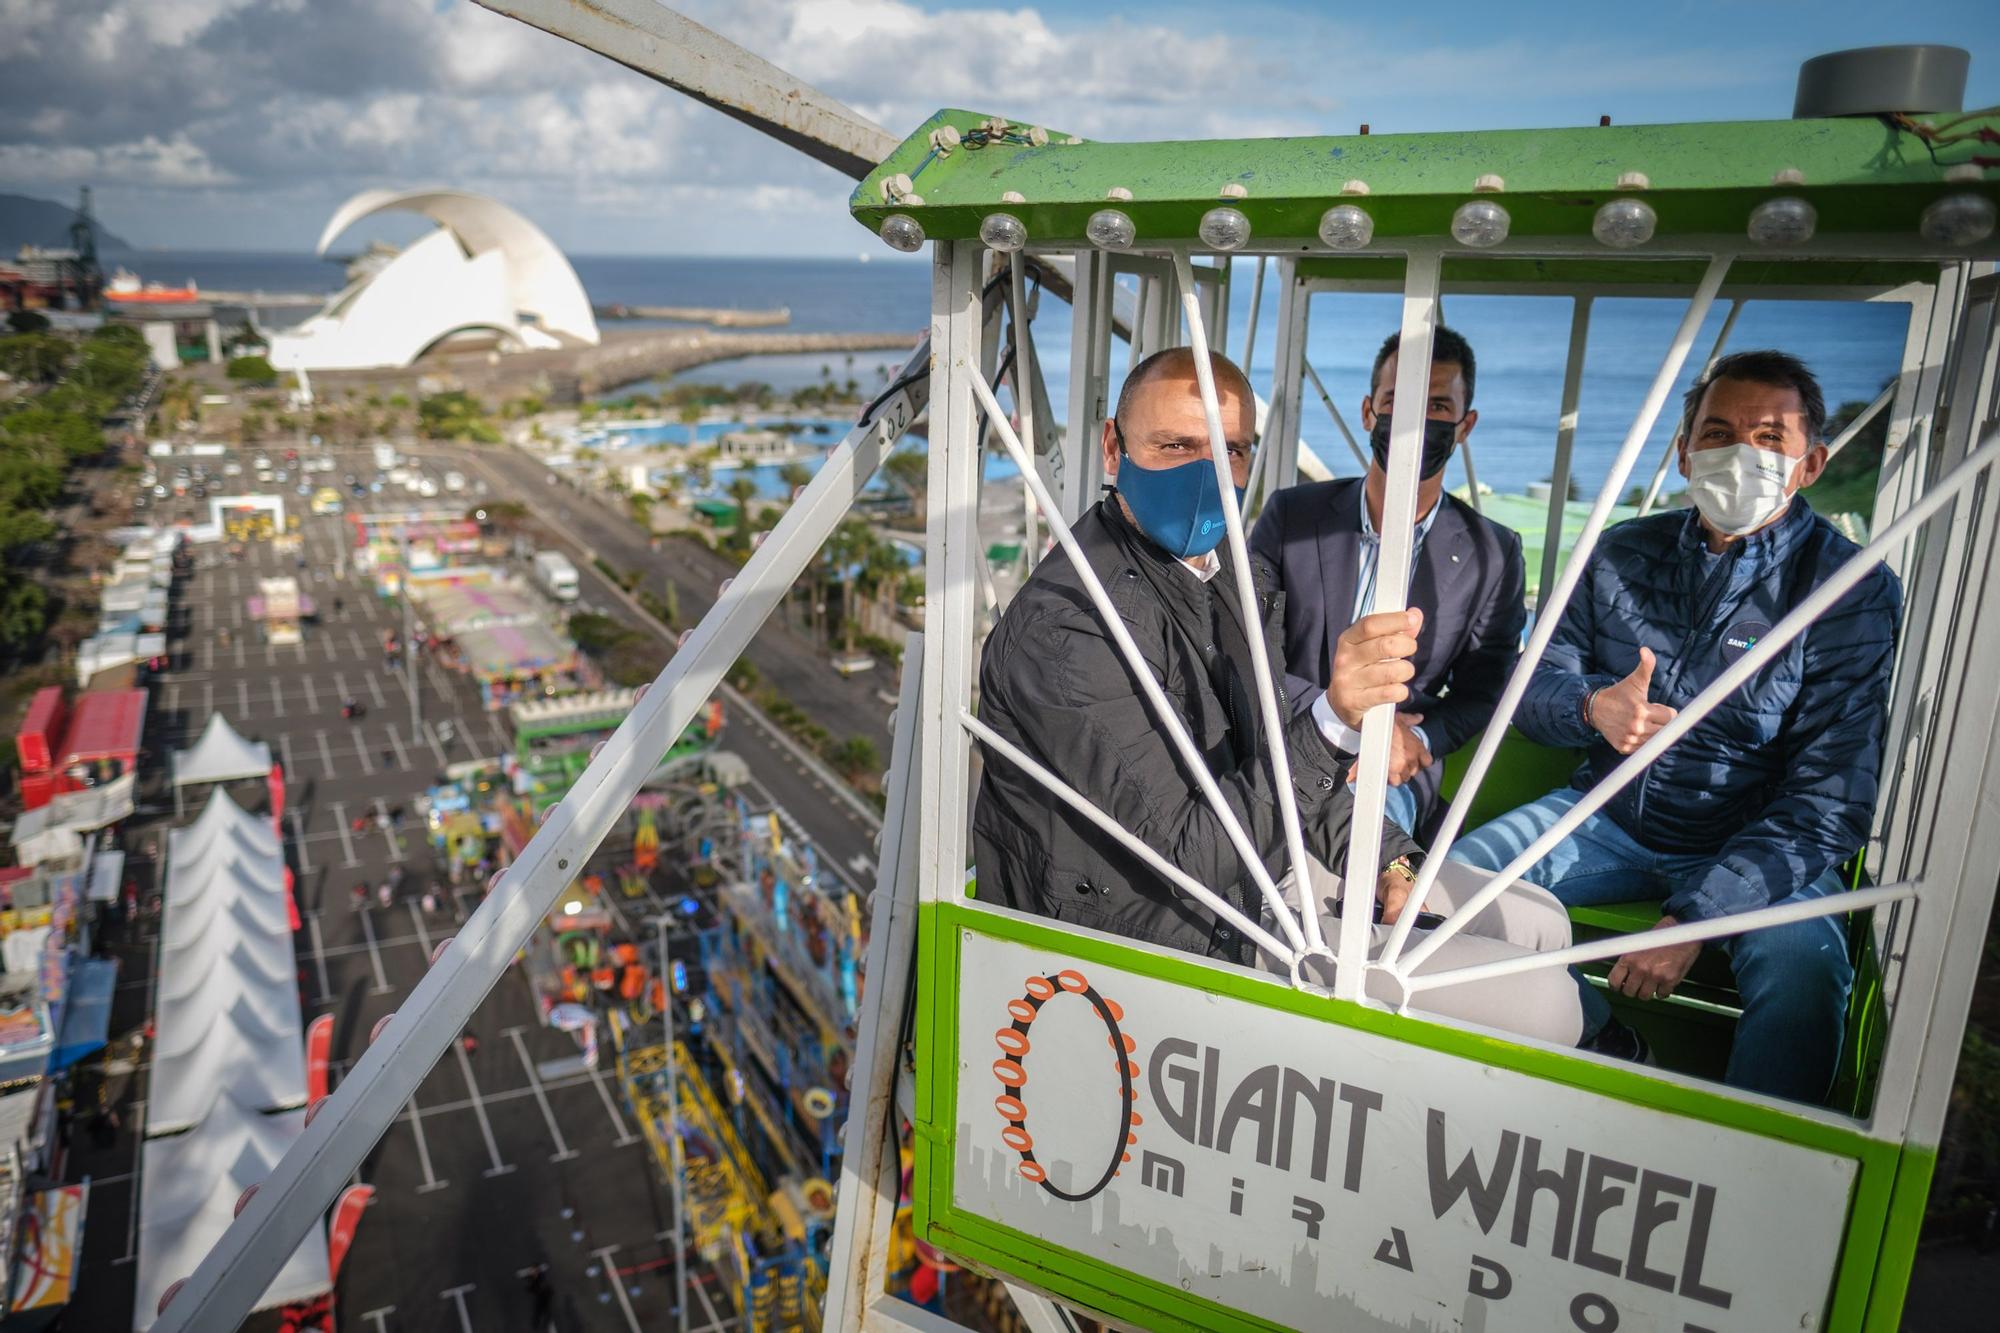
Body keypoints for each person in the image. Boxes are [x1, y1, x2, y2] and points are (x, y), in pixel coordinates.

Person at [973, 346, 1579, 1042]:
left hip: (1258, 868)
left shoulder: (1225, 572)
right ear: (1114, 448)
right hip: (1159, 929)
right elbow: (1187, 858)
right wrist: (1335, 716)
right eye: (1175, 445)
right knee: (1547, 1006)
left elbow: (1280, 741)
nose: (1207, 474)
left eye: (1230, 451)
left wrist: (1388, 858)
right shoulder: (1067, 630)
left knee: (1542, 923)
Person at [1448, 349, 1902, 1103]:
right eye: (1719, 433)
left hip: (1755, 842)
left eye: (1768, 439)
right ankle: (1599, 1042)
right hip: (1606, 814)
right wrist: (1592, 707)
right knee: (1446, 896)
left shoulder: (1849, 589)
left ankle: (1752, 1163)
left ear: (1811, 462)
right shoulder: (1619, 554)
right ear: (1685, 450)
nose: (1739, 455)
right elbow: (1528, 688)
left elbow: (1833, 798)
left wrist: (1697, 915)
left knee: (1805, 970)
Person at [1251, 325, 1523, 837]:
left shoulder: (1495, 552)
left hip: (1401, 762)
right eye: (1397, 401)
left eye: (1438, 407)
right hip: (1286, 732)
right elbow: (1250, 640)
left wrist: (1417, 741)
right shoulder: (1292, 515)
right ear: (1368, 411)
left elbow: (1485, 687)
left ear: (1465, 426)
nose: (1416, 423)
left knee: (1367, 845)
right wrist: (1334, 717)